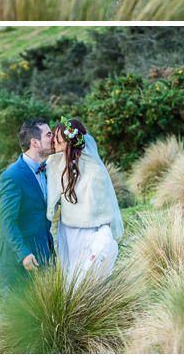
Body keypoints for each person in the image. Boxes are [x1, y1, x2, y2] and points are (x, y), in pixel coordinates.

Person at [45, 118, 124, 285]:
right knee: (68, 275)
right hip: (67, 232)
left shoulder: (95, 171)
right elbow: (51, 200)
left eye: (59, 143)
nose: (55, 147)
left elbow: (104, 212)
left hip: (89, 233)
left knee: (86, 277)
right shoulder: (56, 166)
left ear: (70, 144)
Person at [0, 119, 55, 292]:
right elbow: (7, 221)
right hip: (19, 262)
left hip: (44, 255)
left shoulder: (49, 169)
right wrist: (23, 253)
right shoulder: (12, 176)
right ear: (35, 142)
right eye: (49, 135)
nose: (53, 138)